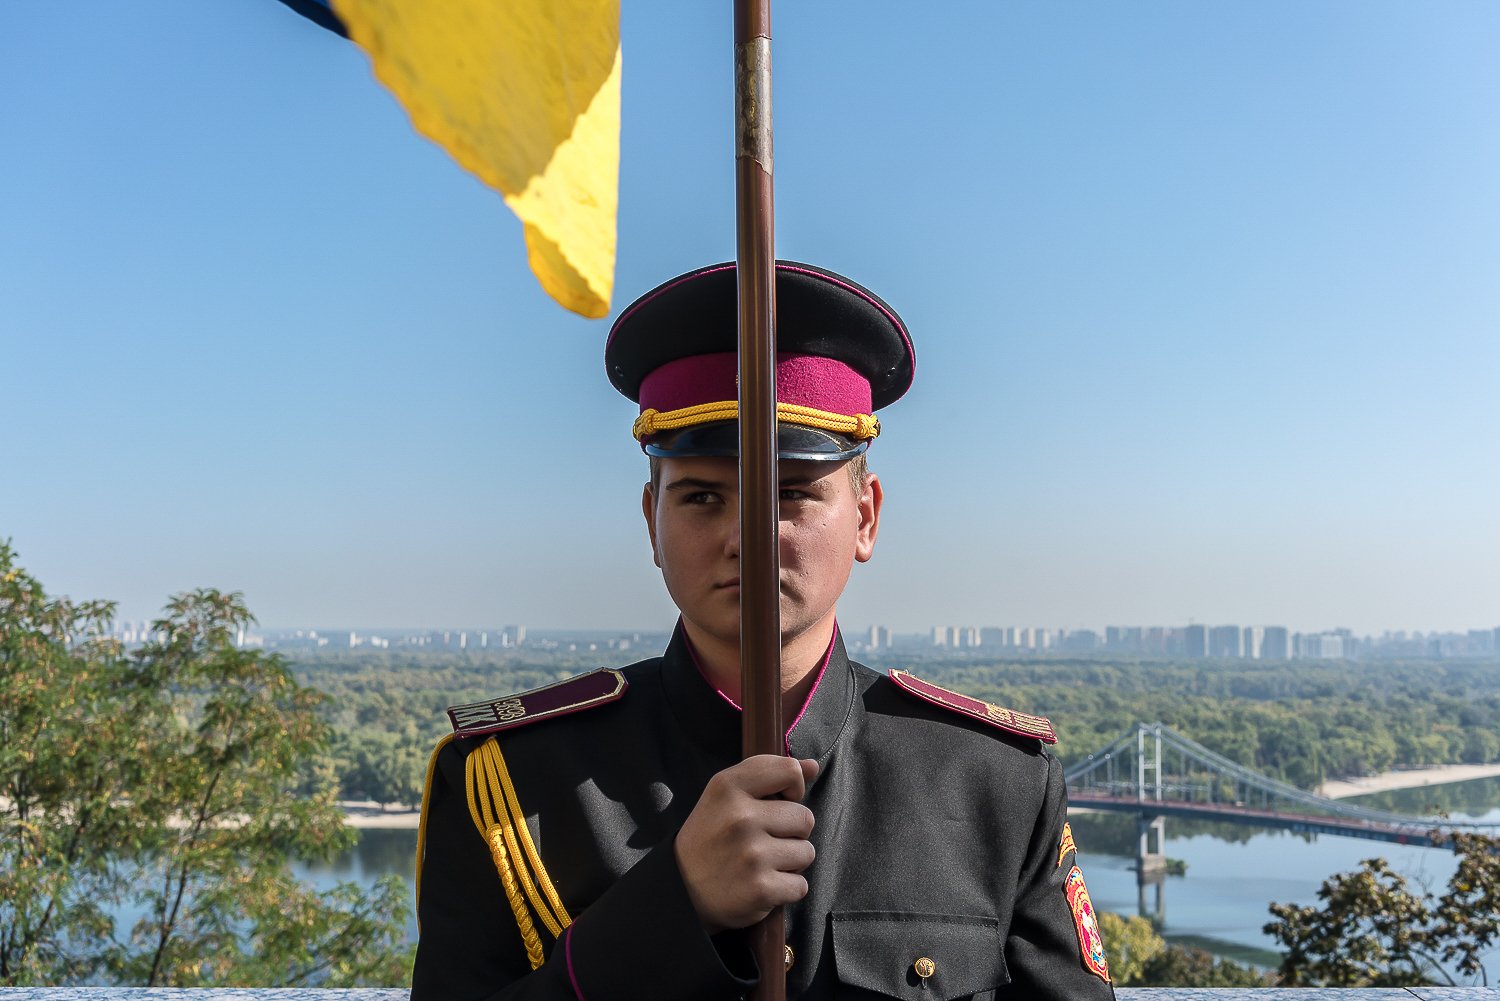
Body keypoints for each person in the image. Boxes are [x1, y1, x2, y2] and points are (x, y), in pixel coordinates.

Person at [410, 261, 1115, 1001]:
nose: (744, 536)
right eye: (703, 496)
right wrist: (670, 907)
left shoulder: (993, 781)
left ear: (866, 516)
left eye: (791, 493)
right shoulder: (512, 783)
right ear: (652, 521)